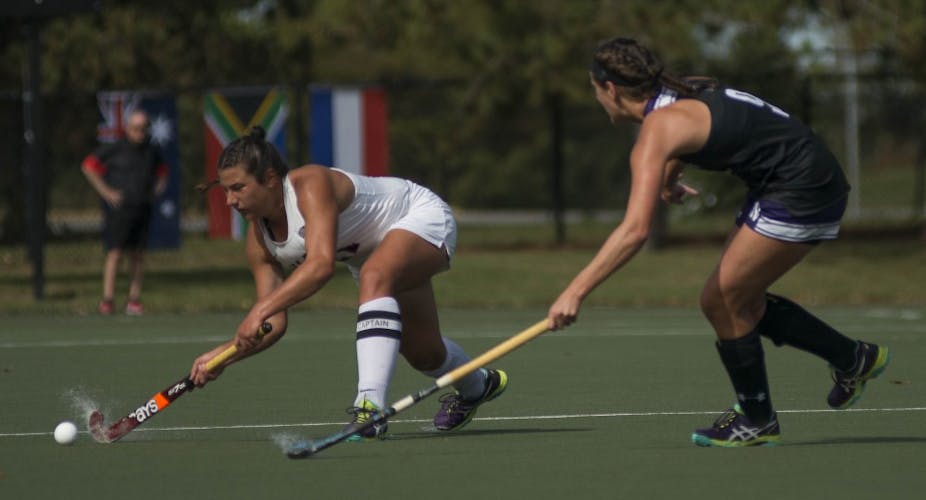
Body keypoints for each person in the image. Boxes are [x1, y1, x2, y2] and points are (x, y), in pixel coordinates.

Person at [546, 37, 891, 447]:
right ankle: (854, 359)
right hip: (789, 180)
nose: (596, 98)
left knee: (722, 299)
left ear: (611, 89)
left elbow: (634, 230)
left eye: (593, 89)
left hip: (802, 190)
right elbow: (688, 137)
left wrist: (575, 291)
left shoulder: (657, 129)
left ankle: (759, 419)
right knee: (739, 299)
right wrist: (670, 181)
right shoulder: (677, 93)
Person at [189, 127, 507, 439]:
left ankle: (369, 408)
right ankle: (478, 385)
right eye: (225, 190)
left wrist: (258, 311)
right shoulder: (259, 242)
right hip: (376, 256)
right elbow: (272, 321)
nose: (229, 200)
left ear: (270, 178)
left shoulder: (309, 185)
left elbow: (320, 265)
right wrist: (226, 355)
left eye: (238, 188)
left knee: (374, 275)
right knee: (425, 354)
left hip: (418, 216)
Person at [81, 109, 168, 316]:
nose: (140, 132)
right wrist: (106, 192)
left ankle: (134, 299)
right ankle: (108, 299)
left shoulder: (151, 150)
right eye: (136, 128)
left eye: (144, 128)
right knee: (115, 252)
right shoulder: (115, 148)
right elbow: (88, 166)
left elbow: (163, 171)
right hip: (120, 210)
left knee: (137, 254)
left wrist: (158, 189)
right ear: (128, 128)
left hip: (142, 207)